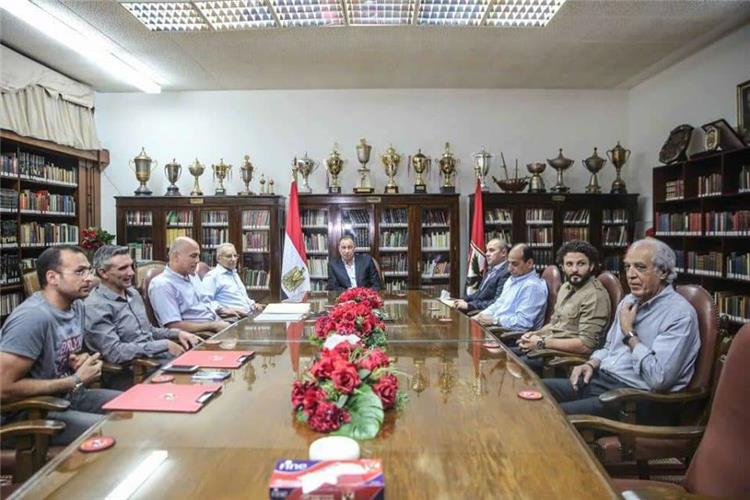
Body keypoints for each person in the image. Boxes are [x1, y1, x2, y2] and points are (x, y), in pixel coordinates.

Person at [544, 238, 700, 418]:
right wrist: (591, 363)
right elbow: (609, 347)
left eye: (640, 267)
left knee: (549, 416)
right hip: (601, 380)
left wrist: (629, 333)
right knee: (532, 391)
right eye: (627, 267)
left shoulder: (679, 314)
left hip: (635, 398)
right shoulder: (629, 301)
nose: (631, 275)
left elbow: (659, 379)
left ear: (663, 272)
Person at [0, 246, 120, 445]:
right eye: (80, 272)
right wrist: (75, 380)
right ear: (52, 277)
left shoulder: (77, 306)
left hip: (66, 397)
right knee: (115, 431)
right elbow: (3, 388)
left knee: (133, 409)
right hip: (28, 413)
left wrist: (81, 361)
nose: (89, 278)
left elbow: (64, 355)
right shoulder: (32, 318)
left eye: (89, 271)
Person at [85, 245, 202, 369]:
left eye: (131, 266)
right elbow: (115, 352)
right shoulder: (96, 307)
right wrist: (163, 345)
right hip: (136, 370)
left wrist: (178, 333)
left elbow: (148, 330)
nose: (131, 272)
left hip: (159, 357)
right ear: (103, 273)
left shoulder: (133, 293)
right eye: (123, 268)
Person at [513, 240, 611, 373]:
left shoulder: (595, 296)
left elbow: (586, 346)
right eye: (569, 264)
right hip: (548, 347)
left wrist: (541, 342)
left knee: (512, 366)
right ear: (563, 267)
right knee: (504, 355)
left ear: (591, 266)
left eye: (581, 264)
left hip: (564, 358)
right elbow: (555, 324)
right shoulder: (565, 287)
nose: (574, 269)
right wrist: (534, 335)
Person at [148, 237, 231, 333]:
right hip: (201, 335)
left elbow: (205, 302)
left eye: (198, 256)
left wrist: (222, 310)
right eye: (193, 256)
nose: (197, 260)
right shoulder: (162, 285)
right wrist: (212, 326)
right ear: (175, 257)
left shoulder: (192, 276)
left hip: (217, 324)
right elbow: (173, 326)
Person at [473, 244, 548, 331]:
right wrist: (479, 316)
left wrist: (495, 320)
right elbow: (498, 304)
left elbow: (523, 323)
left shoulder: (533, 287)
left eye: (514, 264)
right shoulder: (512, 279)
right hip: (495, 328)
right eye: (509, 263)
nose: (509, 269)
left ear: (529, 263)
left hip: (509, 335)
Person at [202, 243, 262, 316]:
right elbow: (204, 302)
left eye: (235, 256)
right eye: (229, 256)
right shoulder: (212, 276)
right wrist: (222, 310)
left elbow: (242, 297)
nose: (233, 259)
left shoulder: (234, 273)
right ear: (218, 258)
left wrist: (253, 304)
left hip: (249, 315)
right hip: (233, 318)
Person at [454, 238, 510, 313]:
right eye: (487, 250)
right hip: (478, 308)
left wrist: (470, 305)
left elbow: (497, 302)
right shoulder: (491, 270)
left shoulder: (506, 272)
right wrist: (463, 300)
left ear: (503, 253)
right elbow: (479, 294)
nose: (487, 254)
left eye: (491, 250)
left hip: (487, 313)